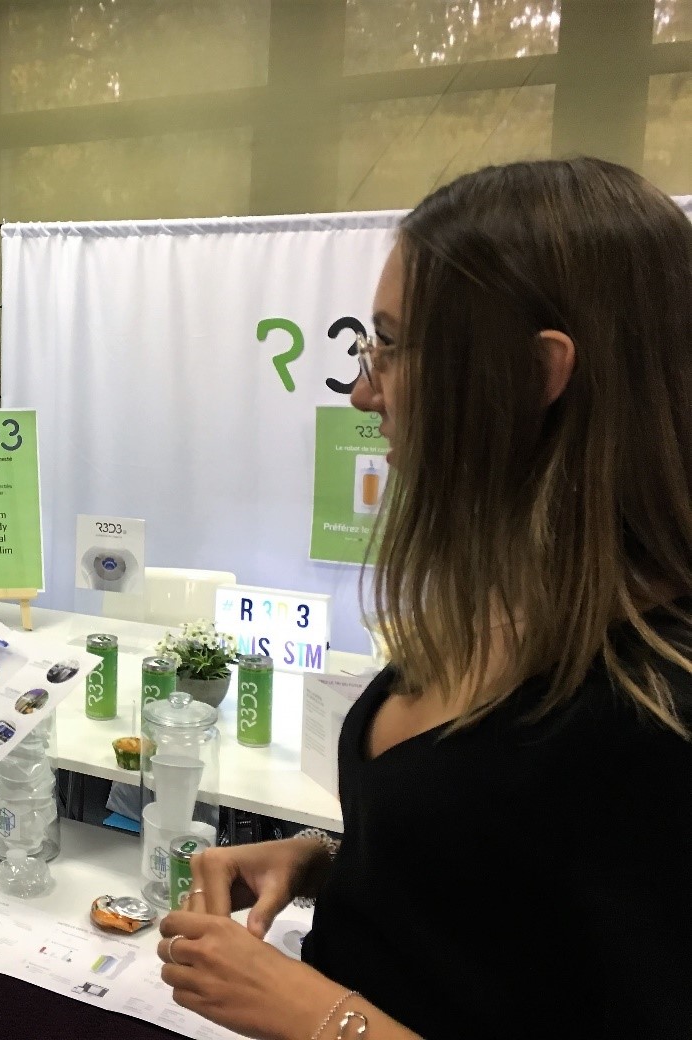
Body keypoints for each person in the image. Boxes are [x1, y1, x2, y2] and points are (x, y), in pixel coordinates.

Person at [155, 158, 692, 1039]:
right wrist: (331, 863)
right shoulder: (499, 603)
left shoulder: (657, 710)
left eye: (393, 347)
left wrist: (324, 1018)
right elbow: (513, 893)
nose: (364, 390)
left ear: (537, 371)